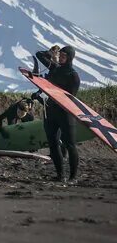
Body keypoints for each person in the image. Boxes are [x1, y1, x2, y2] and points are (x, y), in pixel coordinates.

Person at [36, 45, 81, 182]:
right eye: (60, 55)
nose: (60, 58)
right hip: (50, 111)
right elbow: (39, 55)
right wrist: (50, 53)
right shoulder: (54, 68)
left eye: (63, 56)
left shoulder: (73, 76)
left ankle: (73, 177)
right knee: (53, 143)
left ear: (70, 58)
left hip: (65, 113)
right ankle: (60, 175)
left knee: (70, 144)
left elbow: (70, 98)